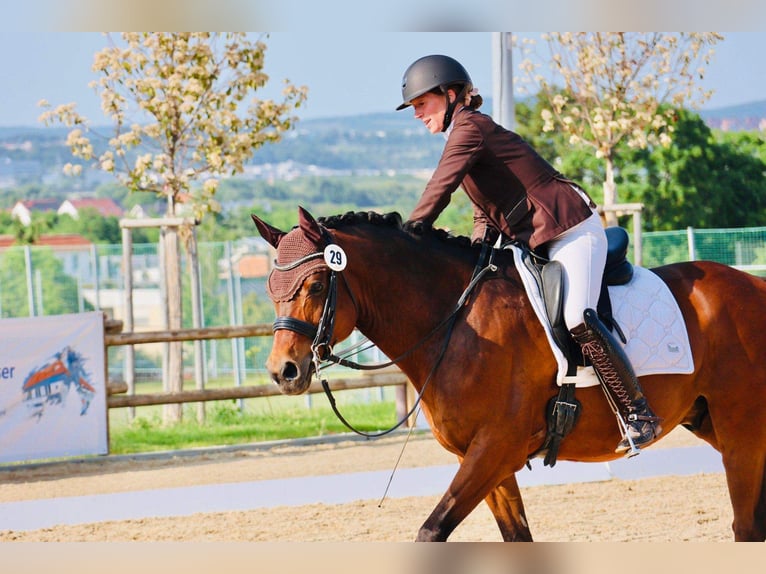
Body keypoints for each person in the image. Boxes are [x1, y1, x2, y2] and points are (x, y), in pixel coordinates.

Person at [397, 54, 661, 454]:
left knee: (577, 317)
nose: (417, 114)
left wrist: (412, 231)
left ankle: (638, 412)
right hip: (536, 240)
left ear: (451, 95)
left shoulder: (469, 128)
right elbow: (485, 210)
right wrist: (477, 253)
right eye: (414, 107)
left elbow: (441, 186)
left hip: (571, 228)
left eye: (421, 104)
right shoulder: (462, 134)